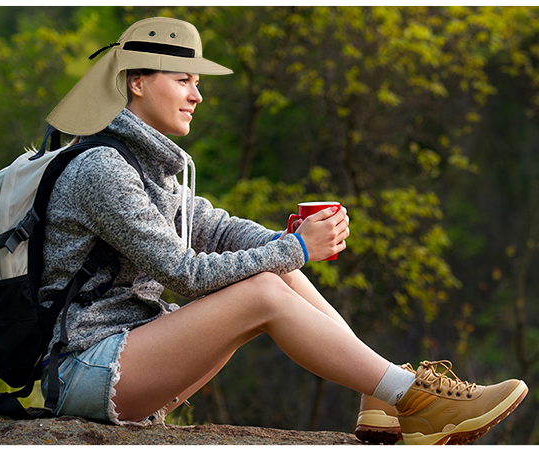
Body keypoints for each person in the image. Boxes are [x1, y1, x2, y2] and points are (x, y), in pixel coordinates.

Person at [39, 17, 527, 445]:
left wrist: (287, 241)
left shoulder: (148, 165)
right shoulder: (103, 168)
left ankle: (382, 396)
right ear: (137, 83)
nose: (197, 94)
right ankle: (418, 400)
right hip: (86, 369)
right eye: (183, 79)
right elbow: (184, 274)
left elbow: (215, 228)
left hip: (133, 356)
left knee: (281, 271)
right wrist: (294, 247)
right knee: (263, 292)